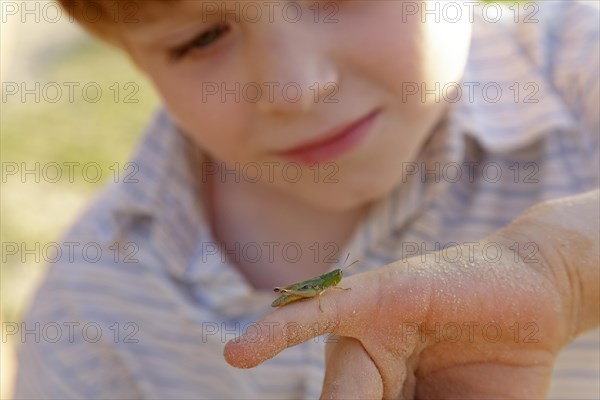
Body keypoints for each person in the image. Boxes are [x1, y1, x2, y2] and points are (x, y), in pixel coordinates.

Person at [14, 1, 599, 399]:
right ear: (136, 61)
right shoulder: (90, 302)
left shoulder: (579, 61)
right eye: (202, 37)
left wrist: (561, 271)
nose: (295, 87)